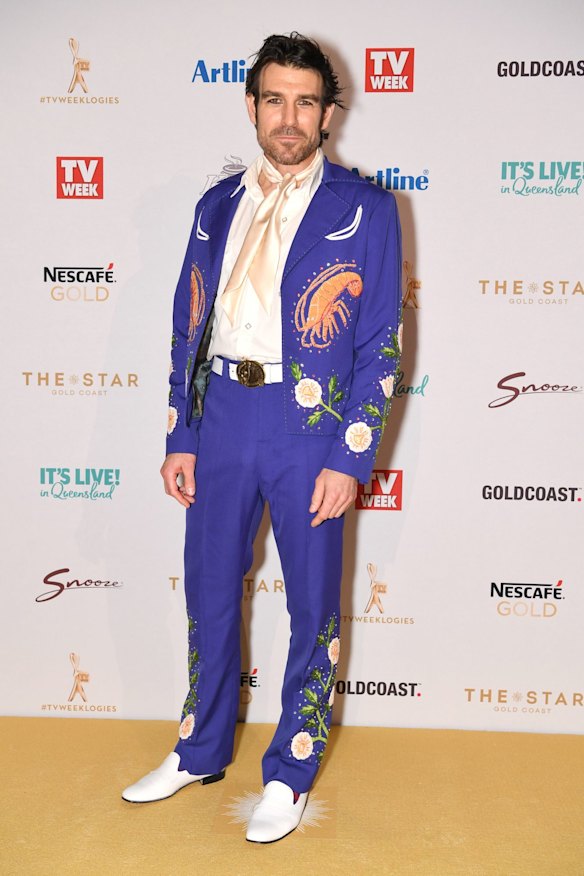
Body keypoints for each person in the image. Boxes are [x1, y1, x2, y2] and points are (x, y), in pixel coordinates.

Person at [122, 32, 402, 844]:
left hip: (308, 428)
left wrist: (352, 457)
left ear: (326, 113)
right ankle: (199, 748)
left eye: (305, 101)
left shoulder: (367, 207)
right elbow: (187, 323)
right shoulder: (216, 204)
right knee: (209, 590)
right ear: (252, 106)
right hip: (222, 423)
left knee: (313, 605)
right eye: (274, 99)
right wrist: (181, 431)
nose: (289, 117)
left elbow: (381, 339)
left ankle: (291, 768)